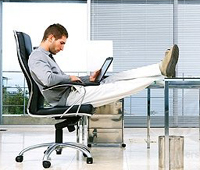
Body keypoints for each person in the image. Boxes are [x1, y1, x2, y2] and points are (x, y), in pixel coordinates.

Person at [28, 23, 179, 108]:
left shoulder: (46, 57)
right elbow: (48, 80)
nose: (62, 48)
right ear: (50, 38)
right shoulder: (37, 57)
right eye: (61, 43)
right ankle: (161, 74)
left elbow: (62, 80)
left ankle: (159, 68)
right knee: (117, 87)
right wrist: (71, 77)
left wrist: (89, 79)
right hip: (68, 98)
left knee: (117, 77)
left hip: (73, 91)